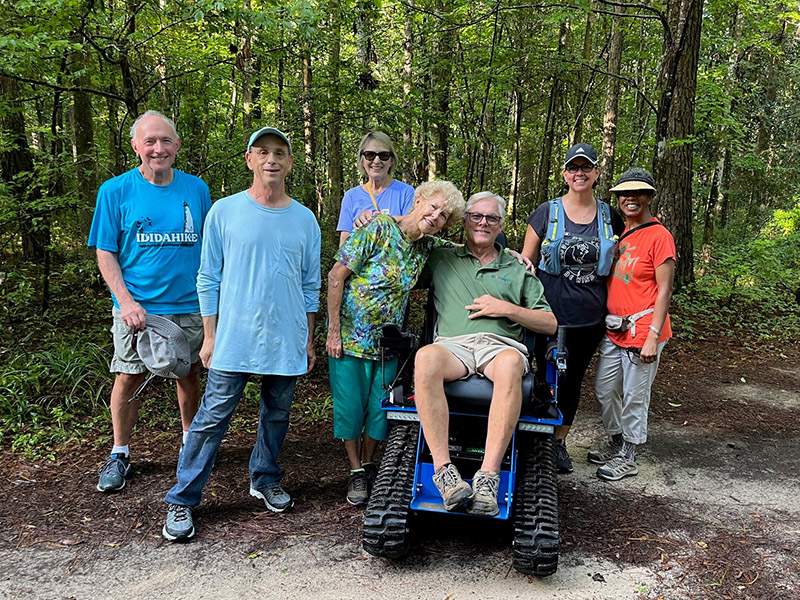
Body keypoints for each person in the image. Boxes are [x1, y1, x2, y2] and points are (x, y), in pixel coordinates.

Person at [161, 126, 321, 542]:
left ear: (289, 161)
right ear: (249, 160)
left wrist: (307, 338)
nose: (272, 159)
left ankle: (264, 478)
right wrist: (209, 337)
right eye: (262, 152)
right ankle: (182, 499)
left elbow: (309, 285)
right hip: (234, 337)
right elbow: (208, 276)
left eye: (280, 153)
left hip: (285, 338)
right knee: (212, 418)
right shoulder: (225, 212)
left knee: (276, 414)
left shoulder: (304, 219)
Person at [88, 110, 211, 493]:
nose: (158, 149)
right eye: (150, 141)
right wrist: (125, 302)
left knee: (189, 373)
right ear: (136, 147)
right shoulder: (115, 191)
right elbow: (105, 252)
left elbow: (210, 249)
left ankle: (190, 444)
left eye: (166, 141)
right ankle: (120, 453)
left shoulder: (196, 189)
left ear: (177, 145)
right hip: (138, 307)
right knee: (129, 376)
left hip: (189, 304)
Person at [414, 192, 557, 516]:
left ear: (501, 225)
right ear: (464, 221)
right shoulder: (441, 257)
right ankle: (445, 474)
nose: (483, 223)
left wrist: (506, 308)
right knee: (425, 358)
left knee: (509, 365)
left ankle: (488, 477)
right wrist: (377, 221)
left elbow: (549, 323)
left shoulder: (518, 268)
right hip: (454, 346)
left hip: (500, 347)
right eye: (476, 216)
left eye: (491, 218)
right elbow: (405, 243)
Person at [327, 181, 465, 506]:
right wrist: (333, 331)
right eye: (432, 207)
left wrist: (509, 252)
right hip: (350, 340)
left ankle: (369, 462)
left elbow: (465, 252)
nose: (435, 216)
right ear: (417, 201)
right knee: (350, 409)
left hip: (390, 345)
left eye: (443, 215)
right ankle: (354, 470)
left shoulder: (427, 247)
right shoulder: (377, 228)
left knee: (380, 410)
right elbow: (336, 276)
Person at [521, 143, 624, 474]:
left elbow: (627, 257)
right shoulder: (546, 212)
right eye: (573, 168)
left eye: (587, 167)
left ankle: (559, 441)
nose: (580, 173)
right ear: (565, 174)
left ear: (596, 173)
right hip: (547, 313)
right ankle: (532, 435)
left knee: (571, 379)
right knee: (538, 375)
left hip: (589, 317)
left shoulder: (610, 215)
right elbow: (527, 262)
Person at [590, 168, 676, 480]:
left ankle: (629, 454)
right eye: (625, 194)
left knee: (634, 395)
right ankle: (617, 441)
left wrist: (653, 335)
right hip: (615, 329)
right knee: (604, 389)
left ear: (650, 196)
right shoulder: (622, 233)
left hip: (644, 329)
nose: (631, 198)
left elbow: (664, 290)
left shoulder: (660, 236)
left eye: (638, 193)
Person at [336, 132, 414, 246]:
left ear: (391, 160)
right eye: (370, 155)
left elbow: (411, 235)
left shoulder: (406, 193)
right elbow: (343, 245)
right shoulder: (351, 196)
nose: (376, 161)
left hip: (393, 262)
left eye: (384, 155)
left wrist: (383, 221)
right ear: (362, 160)